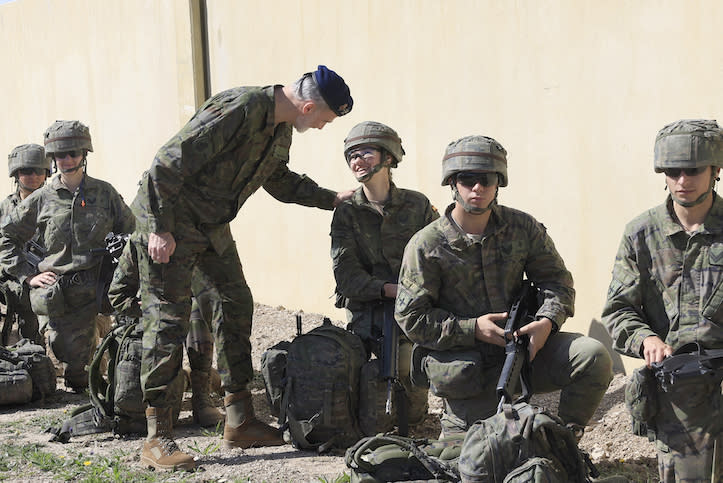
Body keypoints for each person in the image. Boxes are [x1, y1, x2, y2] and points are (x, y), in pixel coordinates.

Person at [128, 65, 354, 471]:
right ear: (306, 107)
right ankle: (156, 437)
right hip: (170, 220)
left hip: (209, 224)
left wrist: (331, 198)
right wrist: (159, 229)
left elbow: (278, 180)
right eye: (324, 120)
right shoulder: (242, 108)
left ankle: (239, 419)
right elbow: (165, 163)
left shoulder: (281, 127)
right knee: (167, 319)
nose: (322, 127)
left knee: (235, 302)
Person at [395, 134, 613, 438]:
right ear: (452, 183)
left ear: (499, 183)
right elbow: (412, 320)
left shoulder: (522, 228)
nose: (477, 188)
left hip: (524, 352)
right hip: (468, 372)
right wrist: (473, 328)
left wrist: (546, 322)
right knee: (475, 460)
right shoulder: (427, 245)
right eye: (467, 179)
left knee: (592, 356)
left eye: (487, 179)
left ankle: (564, 440)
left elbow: (557, 281)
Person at [602, 119, 723, 482]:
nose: (682, 180)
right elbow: (618, 308)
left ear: (715, 171)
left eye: (693, 170)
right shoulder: (641, 234)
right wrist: (646, 339)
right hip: (681, 386)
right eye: (673, 171)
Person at [0, 121, 135, 392]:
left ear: (84, 154)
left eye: (73, 153)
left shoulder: (104, 192)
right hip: (64, 295)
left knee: (127, 352)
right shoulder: (41, 199)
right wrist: (28, 276)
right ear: (53, 159)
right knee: (75, 373)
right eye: (60, 155)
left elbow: (132, 233)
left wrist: (127, 273)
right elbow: (6, 238)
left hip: (102, 288)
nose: (67, 160)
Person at [330, 121, 438, 432]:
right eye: (351, 155)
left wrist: (416, 295)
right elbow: (346, 277)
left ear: (388, 158)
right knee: (374, 382)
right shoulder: (347, 212)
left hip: (414, 309)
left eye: (365, 152)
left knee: (414, 407)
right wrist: (389, 290)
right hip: (369, 309)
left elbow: (437, 258)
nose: (357, 161)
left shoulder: (417, 205)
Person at [108, 240, 225, 427]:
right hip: (151, 323)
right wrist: (142, 307)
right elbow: (116, 294)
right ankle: (175, 389)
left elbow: (217, 287)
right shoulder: (140, 241)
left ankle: (202, 395)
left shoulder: (196, 238)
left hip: (185, 317)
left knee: (198, 309)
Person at [0, 144, 50, 346]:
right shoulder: (5, 209)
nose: (33, 176)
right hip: (8, 284)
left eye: (38, 170)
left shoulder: (57, 206)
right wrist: (23, 275)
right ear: (16, 174)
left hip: (43, 285)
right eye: (26, 171)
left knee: (35, 342)